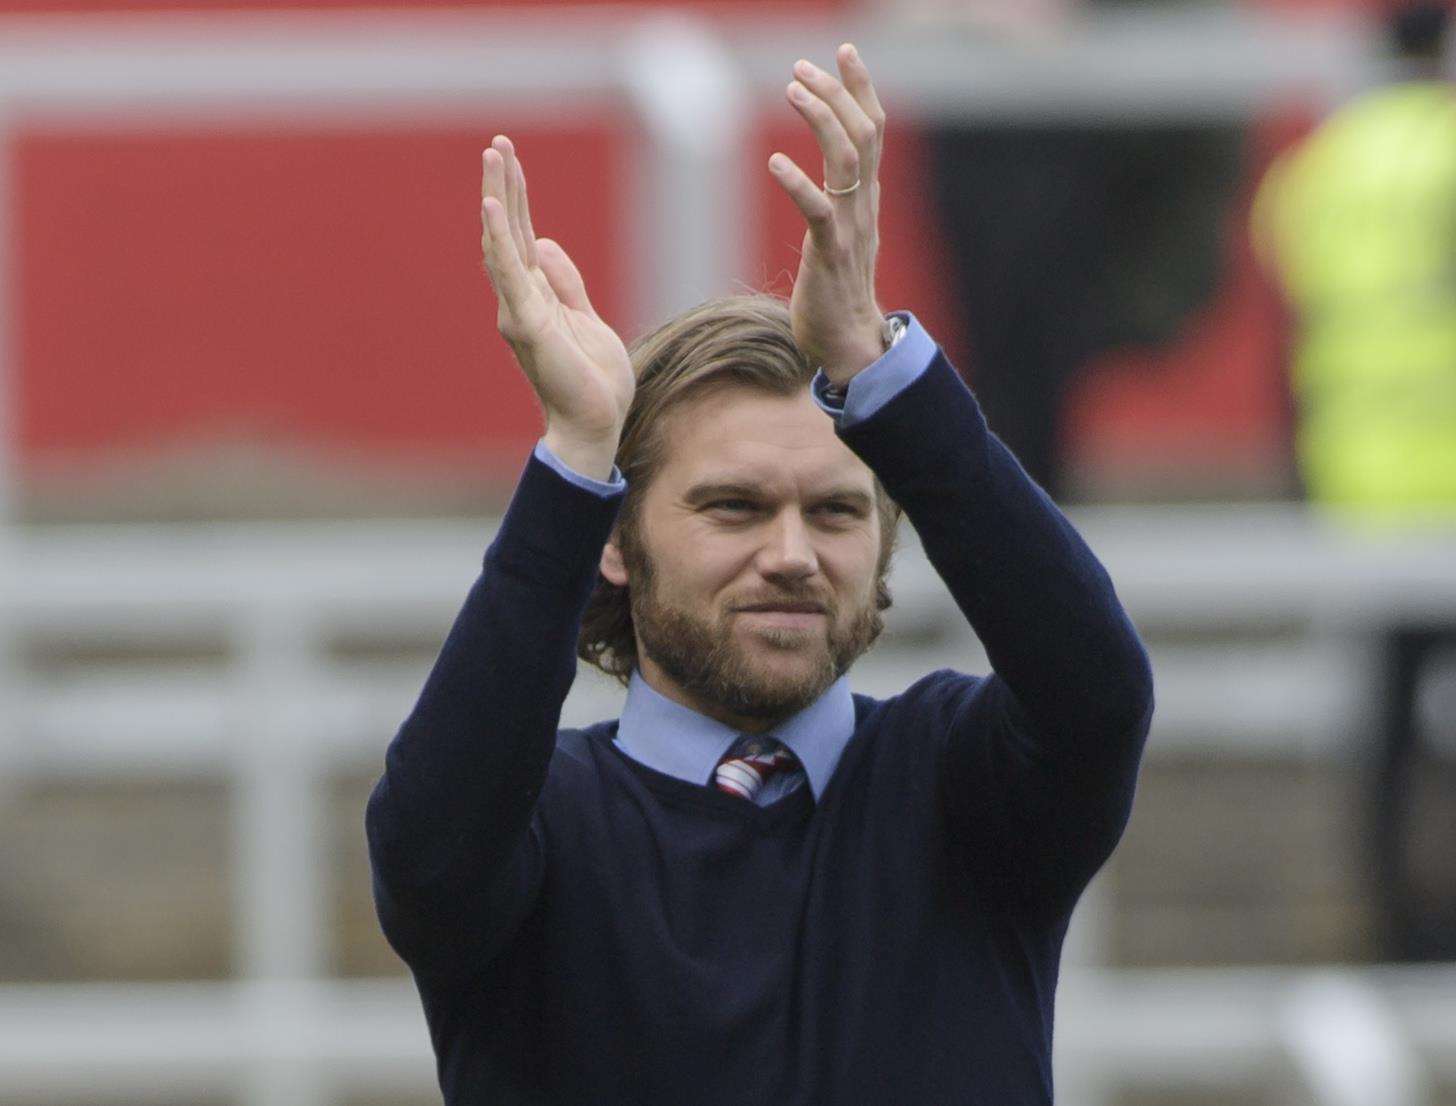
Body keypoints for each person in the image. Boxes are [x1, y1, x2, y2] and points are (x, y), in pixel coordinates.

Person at [366, 44, 1153, 1104]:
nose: (790, 554)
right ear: (614, 536)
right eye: (732, 506)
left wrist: (881, 373)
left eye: (834, 511)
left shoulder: (962, 785)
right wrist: (575, 458)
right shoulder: (535, 820)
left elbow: (1096, 687)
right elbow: (426, 840)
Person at [1253, 0, 1456, 962]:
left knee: (1385, 717)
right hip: (1449, 470)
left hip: (1359, 476)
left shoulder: (1321, 164)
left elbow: (1290, 294)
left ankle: (1390, 920)